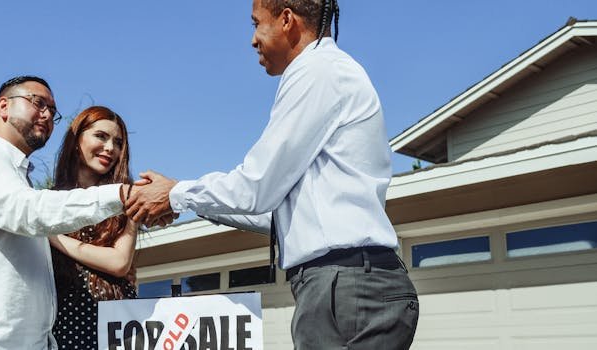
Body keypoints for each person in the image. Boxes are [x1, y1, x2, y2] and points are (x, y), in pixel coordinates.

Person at [125, 0, 419, 349]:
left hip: (346, 286)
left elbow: (256, 186)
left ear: (286, 20)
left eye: (256, 24)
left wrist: (175, 194)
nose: (252, 40)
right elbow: (274, 214)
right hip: (349, 284)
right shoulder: (326, 72)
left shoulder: (317, 71)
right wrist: (185, 201)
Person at [0, 76, 144, 349]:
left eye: (52, 111)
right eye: (38, 103)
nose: (47, 114)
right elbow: (28, 211)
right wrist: (123, 195)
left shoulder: (21, 180)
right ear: (4, 106)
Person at [47, 106, 138, 350]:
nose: (110, 148)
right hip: (61, 328)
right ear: (77, 140)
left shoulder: (125, 200)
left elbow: (119, 262)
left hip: (116, 328)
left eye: (118, 142)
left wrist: (53, 237)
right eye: (101, 136)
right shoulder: (47, 201)